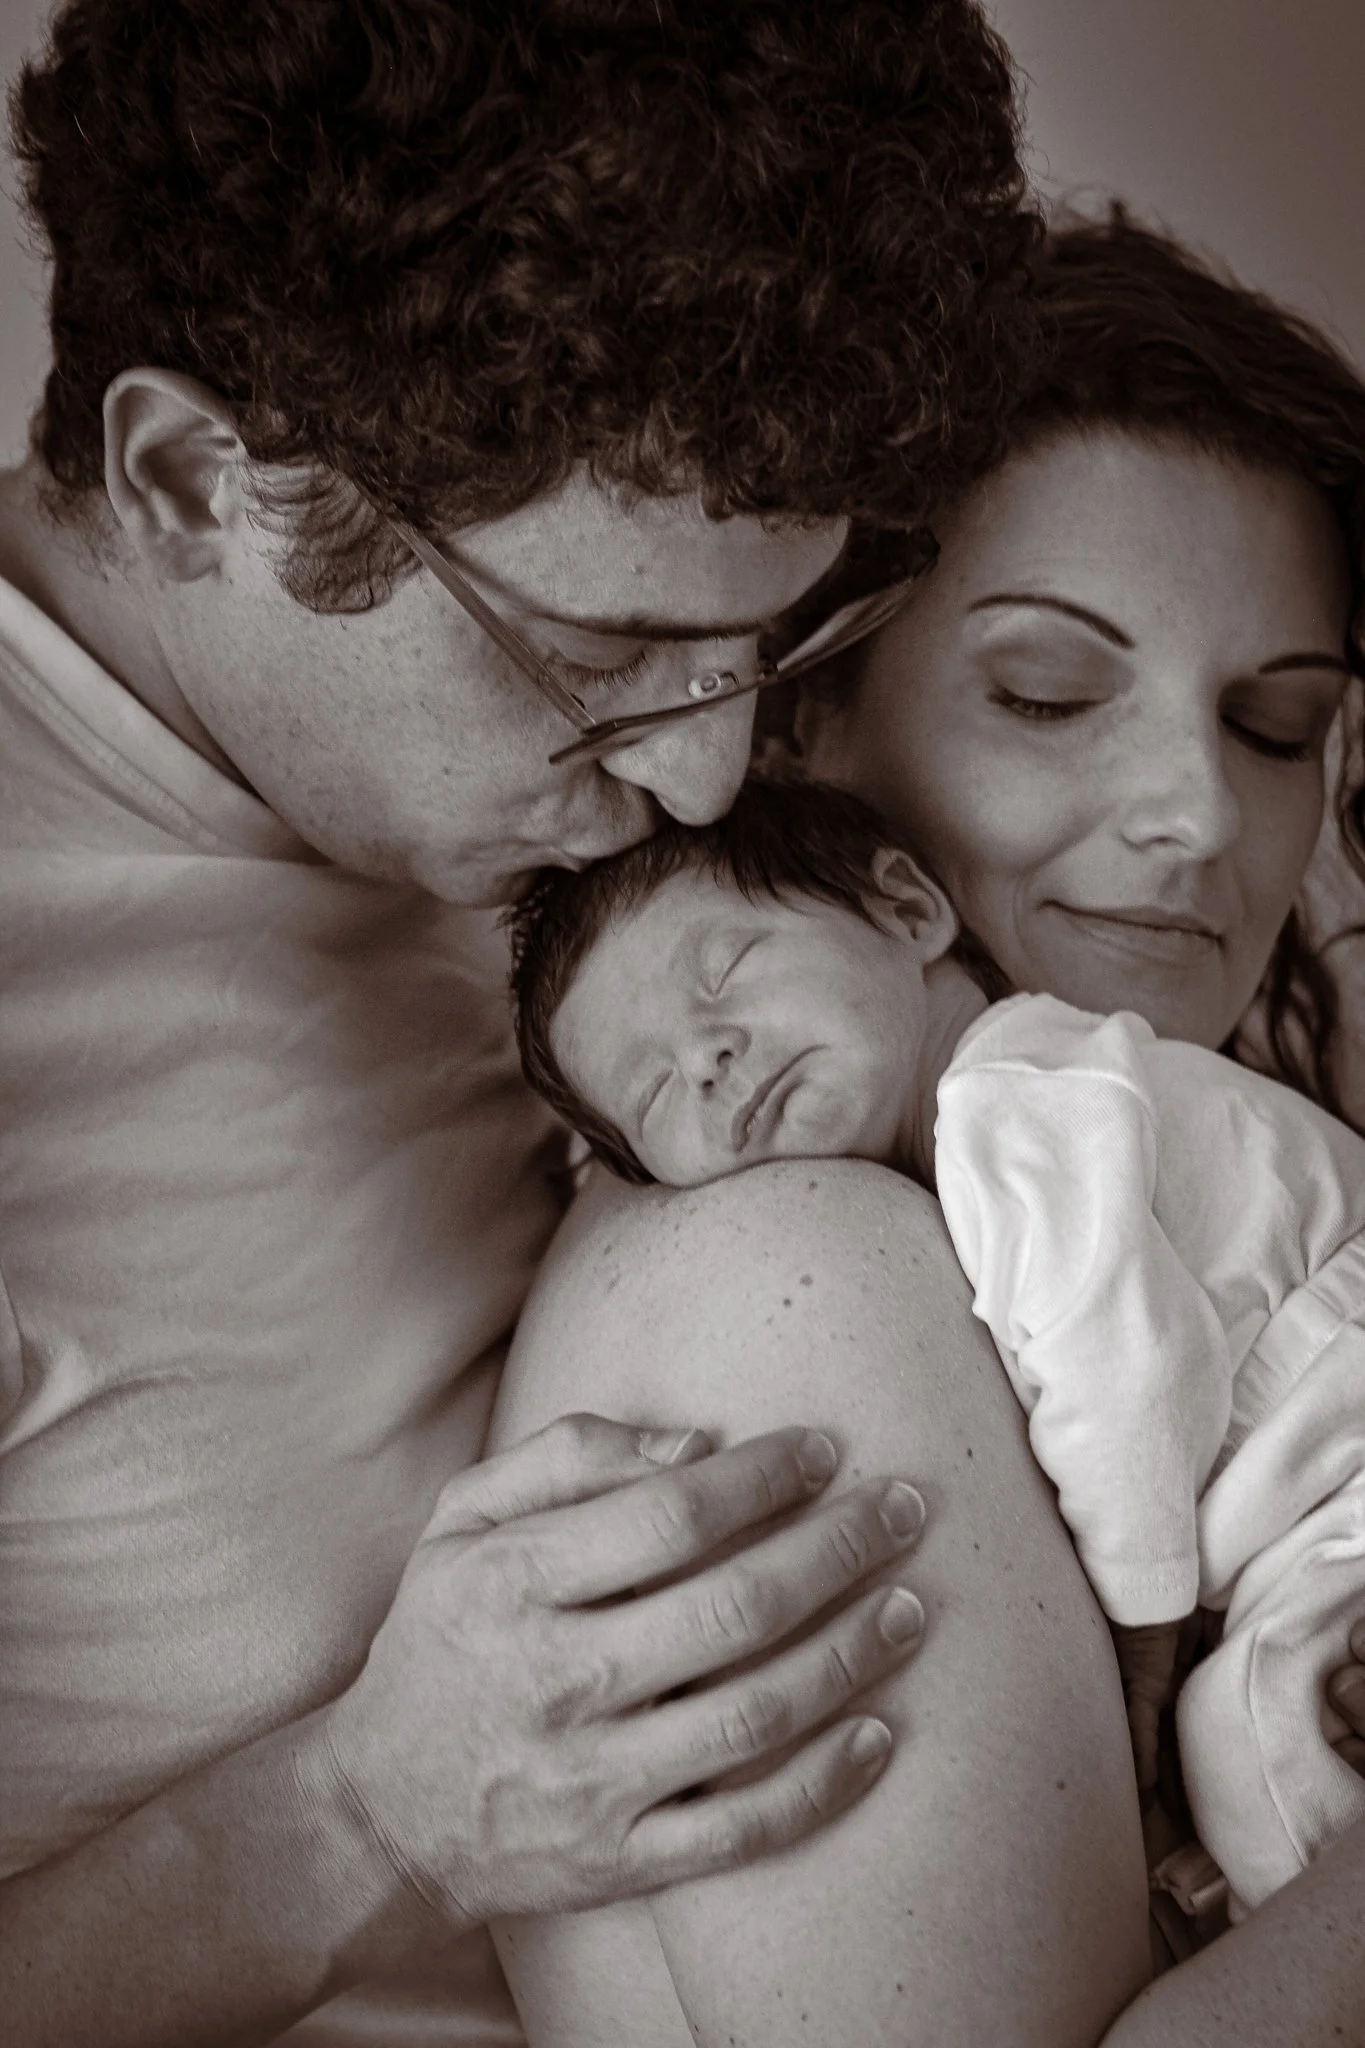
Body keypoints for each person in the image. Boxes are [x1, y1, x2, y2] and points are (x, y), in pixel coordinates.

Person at [0, 4, 1052, 2044]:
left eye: (771, 640)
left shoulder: (634, 775)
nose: (703, 783)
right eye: (604, 657)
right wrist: (352, 1818)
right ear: (199, 475)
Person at [483, 215, 1365, 2047]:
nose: (1199, 814)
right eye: (1048, 695)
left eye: (1277, 726)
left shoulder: (1160, 1174)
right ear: (799, 721)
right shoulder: (788, 1253)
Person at [506, 773, 1365, 1915]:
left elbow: (1131, 1370)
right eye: (653, 1085)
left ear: (907, 911)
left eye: (724, 973)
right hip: (1318, 1463)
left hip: (1339, 1432)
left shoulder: (1011, 1098)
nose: (706, 1056)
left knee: (1243, 1726)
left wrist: (1140, 1637)